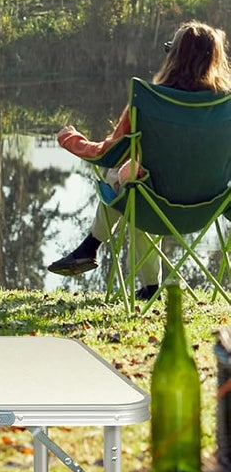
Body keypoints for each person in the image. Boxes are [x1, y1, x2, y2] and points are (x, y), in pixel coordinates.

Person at [49, 20, 231, 299]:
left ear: (174, 57)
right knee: (137, 184)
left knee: (129, 184)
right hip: (208, 209)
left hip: (153, 207)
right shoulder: (226, 105)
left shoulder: (148, 100)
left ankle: (93, 248)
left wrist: (70, 139)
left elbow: (107, 153)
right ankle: (144, 284)